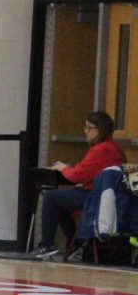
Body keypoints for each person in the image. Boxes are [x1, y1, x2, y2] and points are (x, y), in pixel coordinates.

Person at [23, 111, 126, 260]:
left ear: (100, 129)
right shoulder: (115, 149)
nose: (85, 131)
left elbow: (77, 175)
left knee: (52, 198)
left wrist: (63, 168)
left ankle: (46, 245)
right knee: (61, 201)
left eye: (88, 127)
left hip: (96, 198)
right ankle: (76, 241)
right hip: (111, 199)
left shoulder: (101, 149)